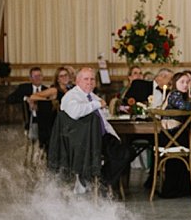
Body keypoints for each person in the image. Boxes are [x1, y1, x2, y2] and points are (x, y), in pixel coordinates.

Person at [54, 64, 133, 192]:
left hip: (101, 137)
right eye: (86, 79)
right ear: (78, 81)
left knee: (128, 152)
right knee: (122, 154)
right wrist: (96, 104)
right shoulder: (71, 96)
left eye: (92, 79)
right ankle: (101, 182)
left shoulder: (93, 96)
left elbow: (104, 121)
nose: (89, 82)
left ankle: (102, 180)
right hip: (84, 141)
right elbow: (75, 112)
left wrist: (115, 136)